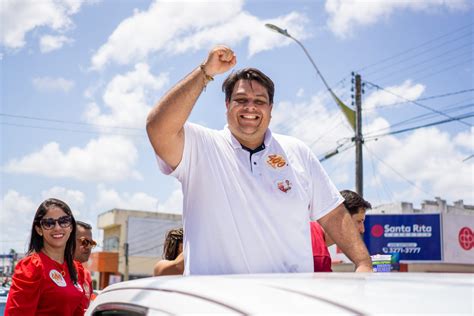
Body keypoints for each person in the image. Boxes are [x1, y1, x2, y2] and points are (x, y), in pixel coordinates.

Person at [146, 45, 372, 275]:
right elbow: (158, 128)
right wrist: (206, 72)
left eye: (260, 101)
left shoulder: (297, 151)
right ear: (227, 105)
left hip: (289, 303)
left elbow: (333, 213)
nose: (250, 107)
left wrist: (363, 263)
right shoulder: (201, 146)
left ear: (271, 109)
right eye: (241, 99)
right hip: (217, 304)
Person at [5, 198, 88, 315]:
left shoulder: (77, 270)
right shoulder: (31, 267)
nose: (57, 227)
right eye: (49, 223)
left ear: (71, 227)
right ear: (39, 229)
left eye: (64, 221)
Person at [311, 190, 372, 271]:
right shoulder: (319, 256)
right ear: (341, 218)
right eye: (359, 221)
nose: (362, 230)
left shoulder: (309, 232)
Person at [74, 221, 96, 303]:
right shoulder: (55, 272)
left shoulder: (87, 275)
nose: (89, 247)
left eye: (91, 243)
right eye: (84, 242)